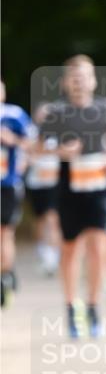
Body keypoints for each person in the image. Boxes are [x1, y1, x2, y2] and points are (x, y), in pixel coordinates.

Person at [36, 56, 106, 338]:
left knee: (98, 248)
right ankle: (72, 307)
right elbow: (36, 148)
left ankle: (94, 307)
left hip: (99, 190)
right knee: (70, 250)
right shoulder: (56, 113)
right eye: (75, 77)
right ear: (66, 82)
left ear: (94, 80)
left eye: (85, 76)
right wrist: (60, 152)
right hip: (68, 190)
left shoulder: (105, 110)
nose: (80, 81)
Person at [1, 80, 36, 307]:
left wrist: (11, 140)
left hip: (7, 184)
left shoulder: (14, 115)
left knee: (5, 234)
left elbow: (33, 144)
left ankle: (5, 278)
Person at [24, 102, 61, 276]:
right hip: (36, 182)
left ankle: (53, 257)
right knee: (39, 220)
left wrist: (41, 151)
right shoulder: (30, 130)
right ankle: (43, 253)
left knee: (52, 218)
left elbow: (59, 153)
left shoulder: (58, 132)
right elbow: (27, 151)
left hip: (53, 182)